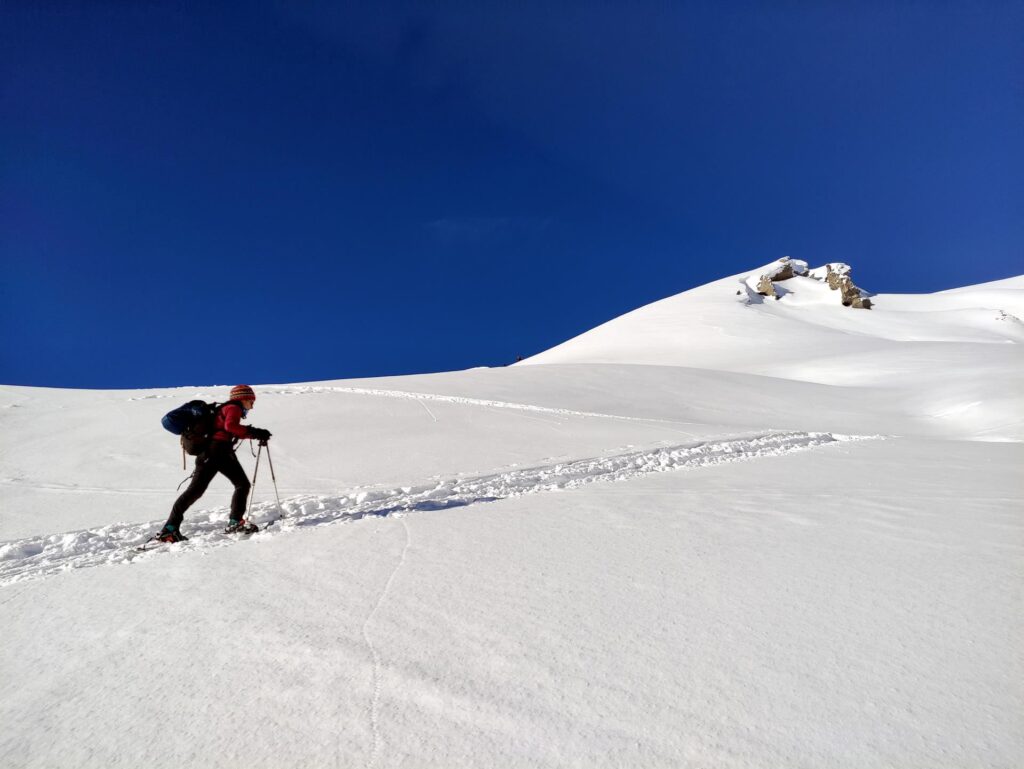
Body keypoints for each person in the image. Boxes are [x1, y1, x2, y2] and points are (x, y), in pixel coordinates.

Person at [156, 385, 272, 542]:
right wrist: (255, 432)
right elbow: (230, 427)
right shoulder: (233, 407)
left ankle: (169, 529)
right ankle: (235, 522)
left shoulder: (222, 409)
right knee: (242, 485)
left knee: (195, 491)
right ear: (243, 398)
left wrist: (254, 434)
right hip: (219, 452)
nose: (252, 405)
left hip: (207, 454)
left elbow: (224, 430)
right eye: (251, 401)